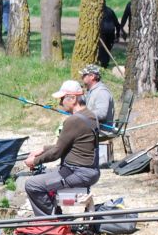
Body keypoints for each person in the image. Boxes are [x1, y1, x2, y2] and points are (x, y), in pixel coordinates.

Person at [23, 81, 100, 217]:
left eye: (62, 98)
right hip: (88, 170)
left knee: (32, 184)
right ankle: (56, 215)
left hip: (77, 172)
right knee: (43, 177)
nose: (60, 103)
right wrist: (43, 149)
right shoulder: (90, 115)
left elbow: (56, 153)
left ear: (73, 98)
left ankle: (49, 222)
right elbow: (68, 144)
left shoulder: (73, 121)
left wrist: (34, 161)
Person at [79, 63, 114, 128]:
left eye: (84, 75)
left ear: (92, 76)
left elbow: (101, 113)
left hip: (102, 129)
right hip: (93, 126)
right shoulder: (93, 90)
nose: (82, 77)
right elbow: (88, 102)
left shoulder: (101, 92)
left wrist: (82, 114)